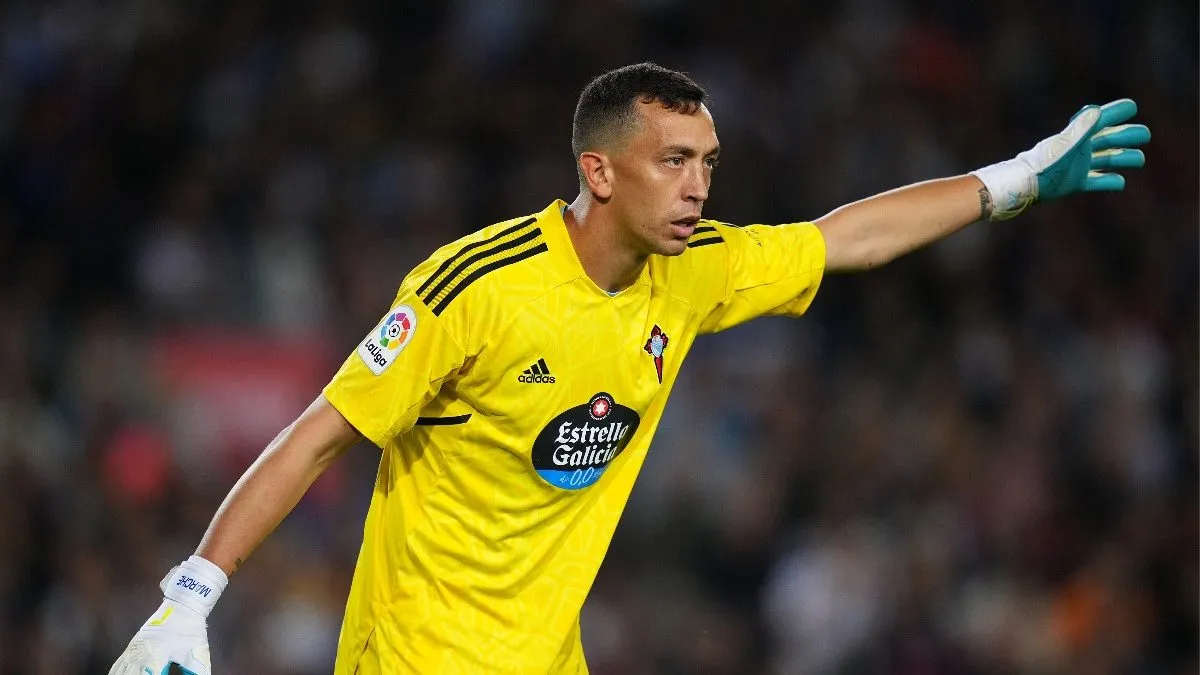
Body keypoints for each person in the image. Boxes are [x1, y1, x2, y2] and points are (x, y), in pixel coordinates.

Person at [108, 62, 1150, 674]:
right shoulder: (476, 285)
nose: (698, 187)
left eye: (708, 164)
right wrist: (192, 595)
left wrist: (1015, 180)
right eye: (673, 163)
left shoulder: (690, 275)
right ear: (598, 171)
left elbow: (848, 237)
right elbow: (322, 432)